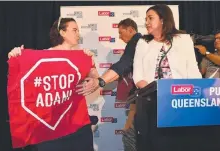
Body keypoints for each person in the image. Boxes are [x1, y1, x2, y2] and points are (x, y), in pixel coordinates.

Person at [8, 17, 99, 151]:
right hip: (51, 130)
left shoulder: (82, 57)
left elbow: (95, 76)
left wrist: (95, 80)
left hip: (77, 126)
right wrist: (16, 55)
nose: (78, 34)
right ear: (62, 33)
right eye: (74, 30)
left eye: (78, 30)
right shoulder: (44, 57)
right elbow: (24, 80)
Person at [132, 4, 202, 151]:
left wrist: (195, 96)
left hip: (181, 104)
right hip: (152, 105)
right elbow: (138, 75)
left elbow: (193, 72)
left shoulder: (183, 39)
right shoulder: (143, 42)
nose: (147, 22)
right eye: (146, 19)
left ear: (163, 20)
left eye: (150, 18)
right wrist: (157, 95)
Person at [76, 18, 142, 151]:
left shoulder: (135, 42)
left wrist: (100, 81)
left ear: (131, 29)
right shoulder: (139, 44)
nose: (119, 36)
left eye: (121, 32)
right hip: (139, 100)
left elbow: (122, 66)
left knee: (130, 138)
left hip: (141, 99)